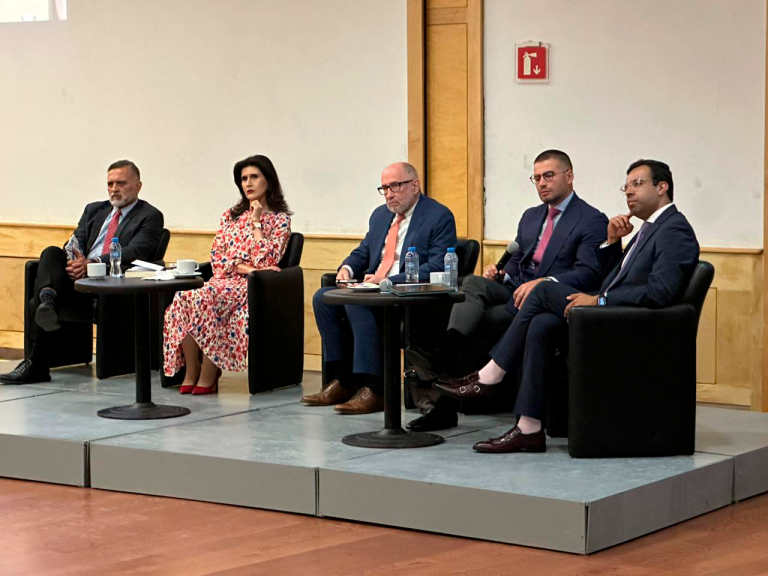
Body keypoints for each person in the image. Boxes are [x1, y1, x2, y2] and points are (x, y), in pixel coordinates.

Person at [436, 159, 700, 453]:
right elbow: (614, 280)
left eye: (637, 185)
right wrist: (613, 243)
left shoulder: (674, 230)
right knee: (541, 324)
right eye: (626, 187)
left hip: (628, 327)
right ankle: (529, 428)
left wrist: (599, 300)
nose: (629, 193)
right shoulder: (648, 228)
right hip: (611, 316)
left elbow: (660, 292)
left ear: (662, 187)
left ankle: (491, 374)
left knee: (542, 290)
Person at [406, 149, 607, 432]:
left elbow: (588, 274)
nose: (542, 183)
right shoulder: (530, 216)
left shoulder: (591, 219)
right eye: (536, 178)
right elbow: (517, 258)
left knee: (477, 322)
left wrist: (544, 282)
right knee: (473, 284)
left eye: (548, 176)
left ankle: (446, 393)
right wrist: (501, 273)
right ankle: (447, 352)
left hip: (544, 302)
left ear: (569, 176)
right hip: (513, 292)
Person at [303, 162, 457, 414]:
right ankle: (344, 381)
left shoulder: (438, 216)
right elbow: (363, 252)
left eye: (395, 186)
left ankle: (376, 389)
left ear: (415, 185)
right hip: (375, 289)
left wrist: (387, 281)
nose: (389, 194)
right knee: (324, 297)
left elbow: (438, 266)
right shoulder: (380, 215)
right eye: (384, 188)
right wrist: (347, 269)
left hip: (408, 297)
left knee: (360, 301)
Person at [0, 160, 164, 385]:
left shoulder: (150, 215)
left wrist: (93, 263)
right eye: (110, 184)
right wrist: (74, 261)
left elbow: (136, 252)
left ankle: (36, 362)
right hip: (77, 277)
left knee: (36, 303)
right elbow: (75, 241)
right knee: (51, 253)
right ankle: (48, 298)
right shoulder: (94, 210)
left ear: (138, 186)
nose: (114, 189)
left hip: (111, 285)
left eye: (121, 183)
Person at [163, 155, 291, 394]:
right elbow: (218, 260)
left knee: (205, 299)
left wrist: (256, 222)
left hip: (252, 287)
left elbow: (267, 261)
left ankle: (210, 373)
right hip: (224, 280)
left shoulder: (280, 220)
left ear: (269, 180)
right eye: (243, 179)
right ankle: (193, 369)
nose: (248, 183)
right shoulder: (230, 216)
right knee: (184, 298)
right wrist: (247, 267)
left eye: (254, 177)